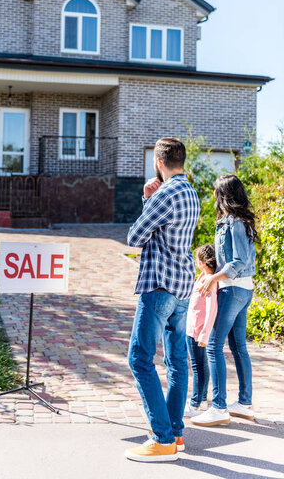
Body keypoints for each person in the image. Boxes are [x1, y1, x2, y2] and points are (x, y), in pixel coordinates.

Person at [124, 137, 200, 463]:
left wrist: (146, 199)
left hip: (159, 286)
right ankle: (176, 432)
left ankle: (162, 438)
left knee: (139, 359)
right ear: (182, 161)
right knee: (177, 363)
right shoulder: (191, 193)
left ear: (158, 162)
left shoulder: (164, 194)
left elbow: (134, 237)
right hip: (183, 286)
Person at [191, 174, 256, 427]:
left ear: (224, 194)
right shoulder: (237, 222)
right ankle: (244, 403)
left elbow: (238, 261)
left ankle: (218, 407)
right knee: (239, 347)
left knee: (214, 346)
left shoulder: (235, 223)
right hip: (244, 289)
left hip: (233, 290)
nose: (214, 196)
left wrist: (214, 278)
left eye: (216, 191)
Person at [184, 243, 218, 418]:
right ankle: (203, 400)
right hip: (192, 329)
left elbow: (212, 309)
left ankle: (194, 403)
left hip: (198, 332)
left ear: (203, 262)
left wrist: (204, 334)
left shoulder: (209, 281)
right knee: (201, 366)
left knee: (198, 367)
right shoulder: (202, 278)